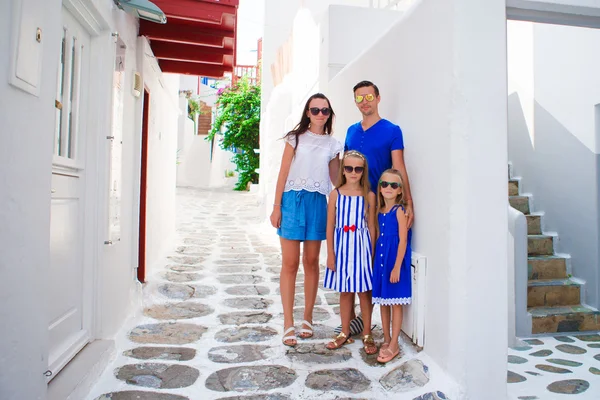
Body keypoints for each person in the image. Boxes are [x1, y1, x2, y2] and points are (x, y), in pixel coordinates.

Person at [340, 80, 414, 332]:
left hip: (381, 207)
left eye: (369, 96)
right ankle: (349, 322)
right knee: (352, 261)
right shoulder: (350, 131)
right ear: (355, 102)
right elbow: (345, 168)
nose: (365, 102)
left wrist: (409, 202)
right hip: (353, 206)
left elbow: (400, 167)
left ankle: (367, 322)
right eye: (359, 98)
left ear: (378, 98)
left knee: (374, 259)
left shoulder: (392, 130)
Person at [270, 93, 343, 347]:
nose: (320, 114)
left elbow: (336, 180)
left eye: (325, 110)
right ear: (307, 113)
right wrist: (276, 206)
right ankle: (288, 322)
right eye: (315, 110)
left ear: (329, 114)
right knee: (290, 263)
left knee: (311, 262)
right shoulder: (295, 139)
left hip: (317, 204)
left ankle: (307, 318)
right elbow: (282, 173)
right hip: (292, 202)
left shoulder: (333, 145)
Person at [323, 151, 378, 355]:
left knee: (364, 291)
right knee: (345, 291)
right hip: (342, 247)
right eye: (349, 168)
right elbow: (330, 225)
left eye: (358, 169)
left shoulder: (369, 195)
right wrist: (330, 253)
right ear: (343, 170)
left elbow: (371, 226)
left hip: (361, 247)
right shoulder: (335, 194)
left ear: (363, 171)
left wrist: (370, 254)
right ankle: (344, 332)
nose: (353, 172)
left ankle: (366, 333)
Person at [372, 169, 412, 363]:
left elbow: (403, 241)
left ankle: (394, 343)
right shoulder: (380, 211)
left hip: (393, 262)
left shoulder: (399, 212)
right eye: (384, 184)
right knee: (383, 301)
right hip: (381, 262)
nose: (388, 188)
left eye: (394, 185)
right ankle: (386, 338)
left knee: (396, 302)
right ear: (380, 187)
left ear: (399, 191)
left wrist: (396, 267)